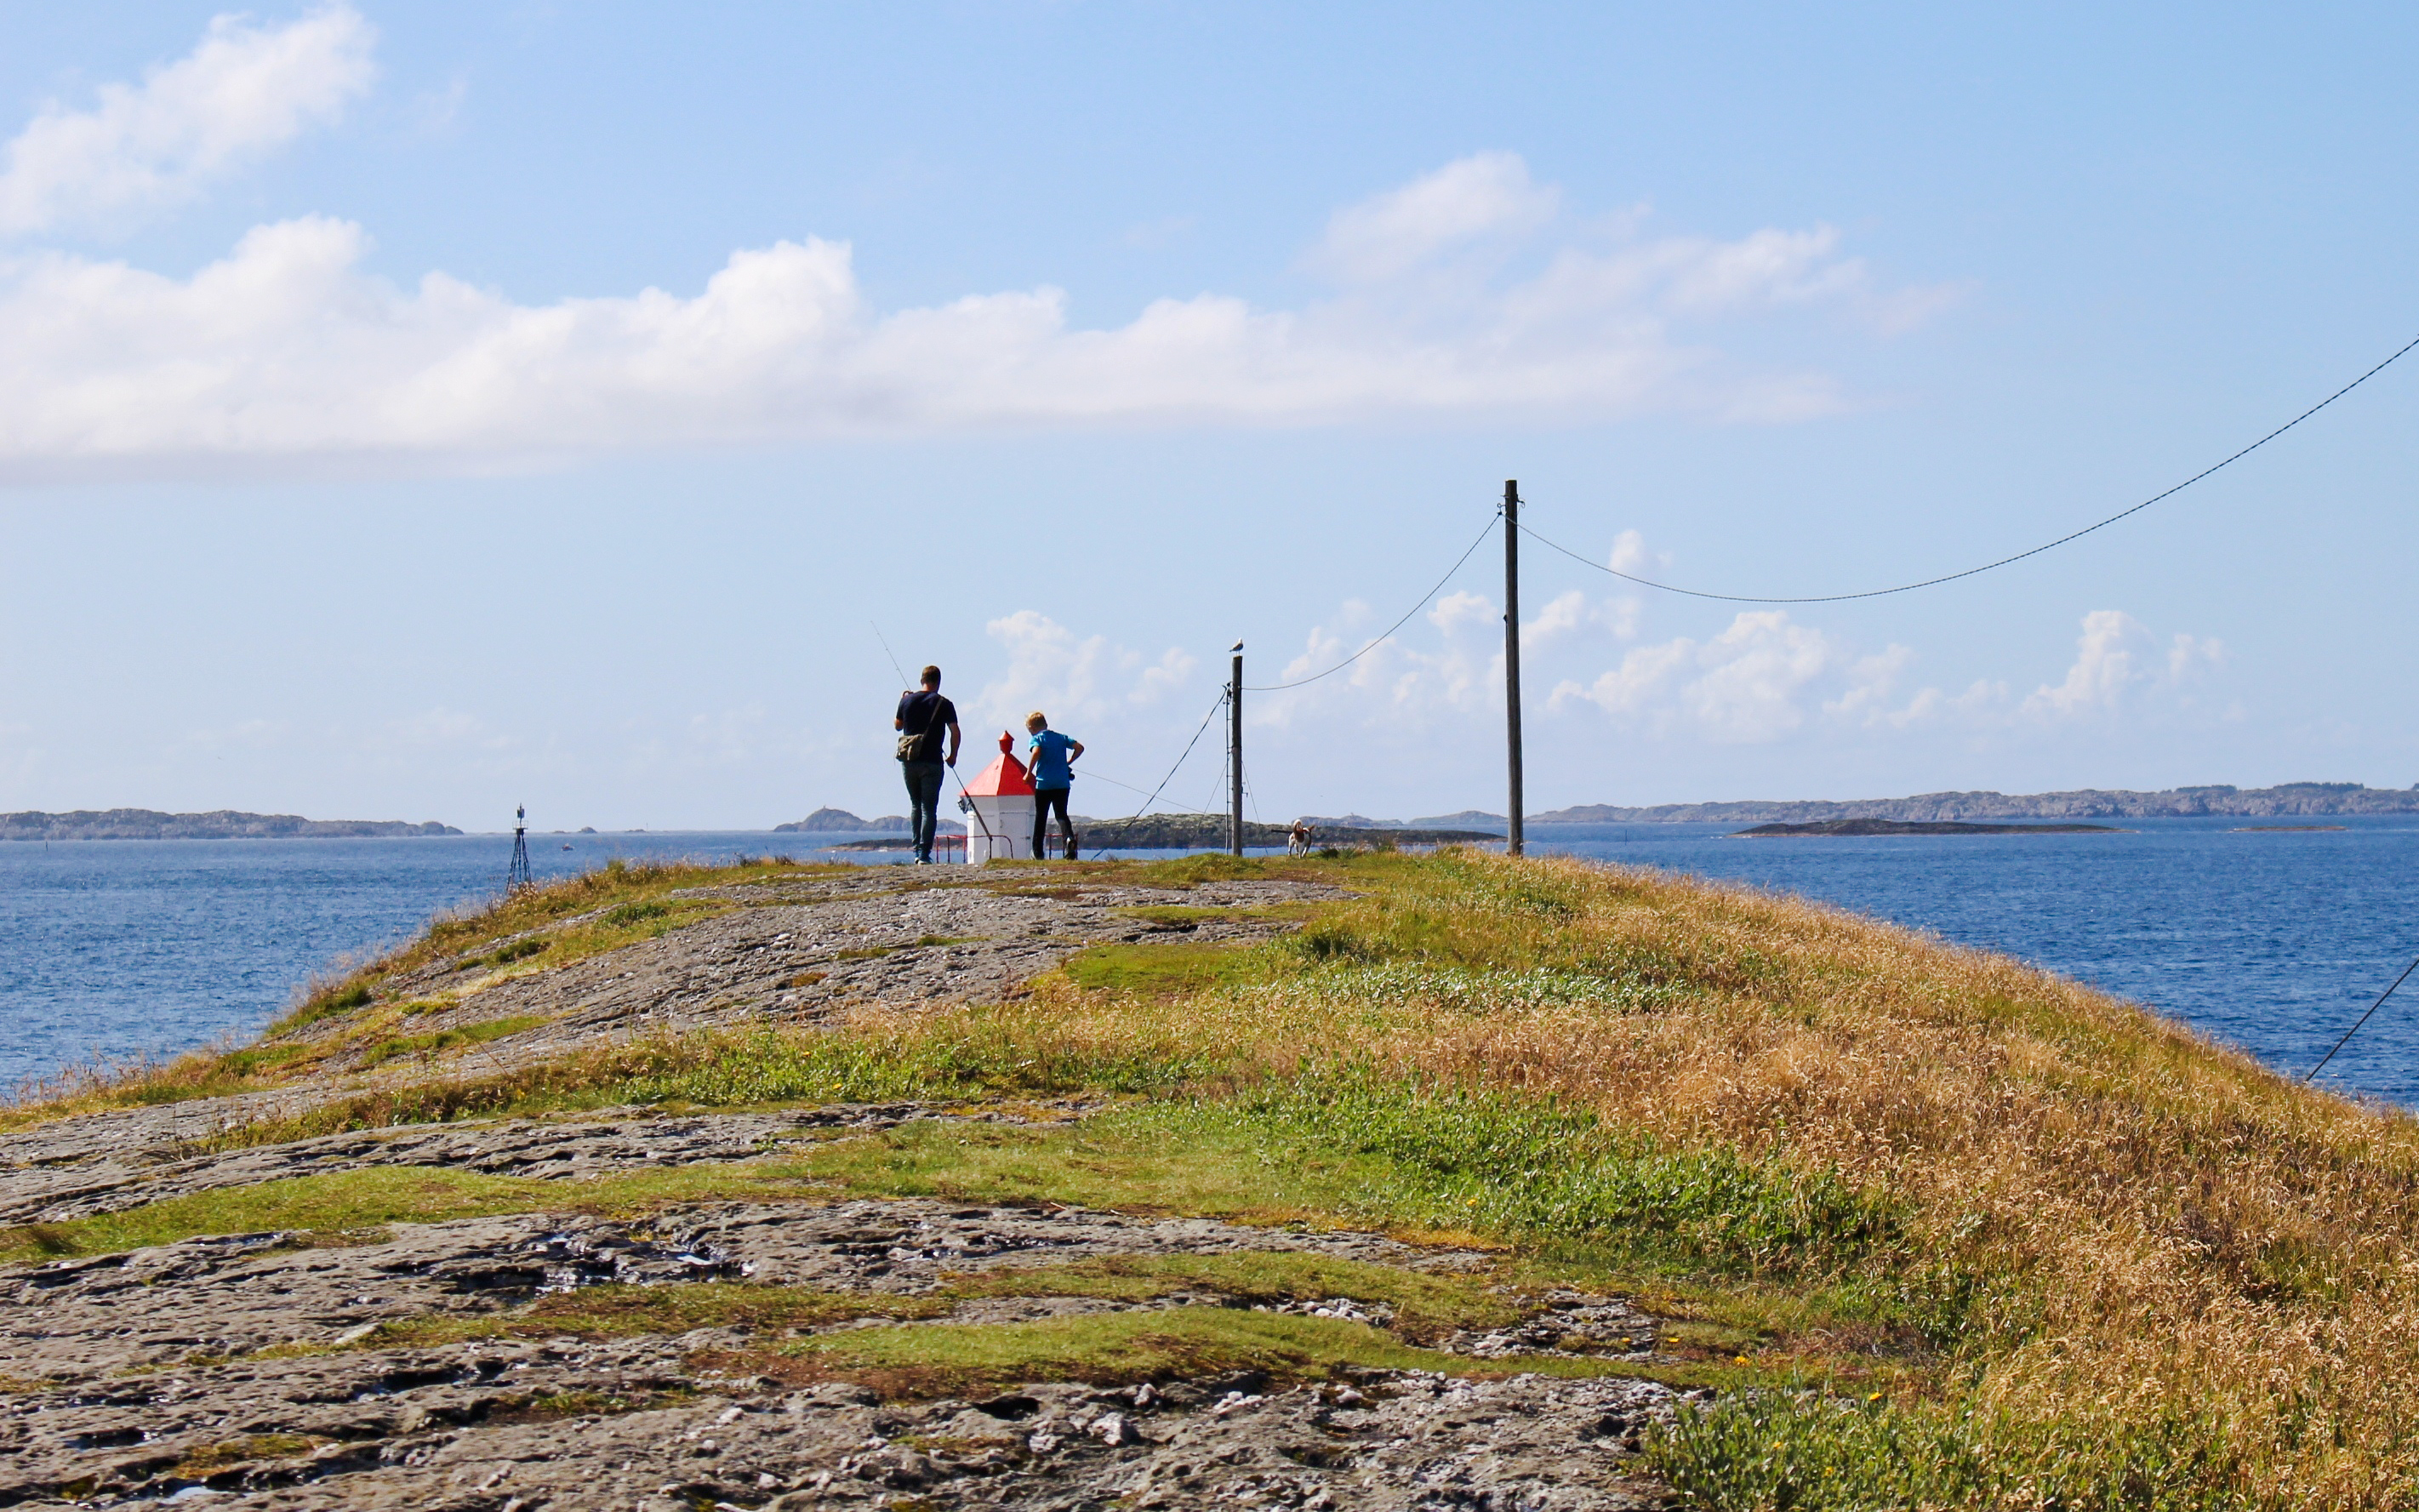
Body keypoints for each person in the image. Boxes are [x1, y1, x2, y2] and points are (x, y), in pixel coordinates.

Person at [893, 665, 961, 864]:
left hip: (909, 760)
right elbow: (955, 731)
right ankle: (924, 854)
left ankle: (916, 851)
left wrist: (903, 699)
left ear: (922, 679)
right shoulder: (944, 703)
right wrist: (953, 756)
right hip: (932, 761)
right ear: (938, 682)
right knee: (929, 808)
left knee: (915, 805)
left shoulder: (907, 700)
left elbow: (898, 726)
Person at [1024, 710, 1083, 860]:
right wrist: (1069, 761)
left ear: (1032, 727)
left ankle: (1037, 852)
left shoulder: (1037, 739)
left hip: (1044, 784)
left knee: (1041, 817)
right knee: (1061, 814)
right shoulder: (1060, 737)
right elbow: (1079, 747)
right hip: (1062, 783)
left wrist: (1028, 772)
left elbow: (1036, 752)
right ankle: (1069, 840)